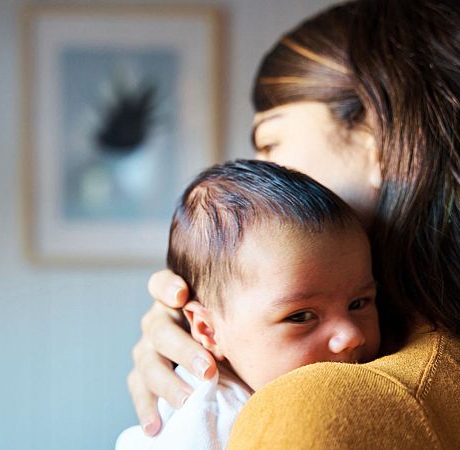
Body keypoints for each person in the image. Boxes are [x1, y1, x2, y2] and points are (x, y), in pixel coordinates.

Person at [127, 0, 460, 447]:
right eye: (299, 315)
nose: (265, 173)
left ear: (384, 141)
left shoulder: (327, 406)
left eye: (269, 142)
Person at [116, 159, 380, 449]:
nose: (352, 335)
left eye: (359, 303)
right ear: (208, 330)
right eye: (301, 316)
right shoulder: (209, 420)